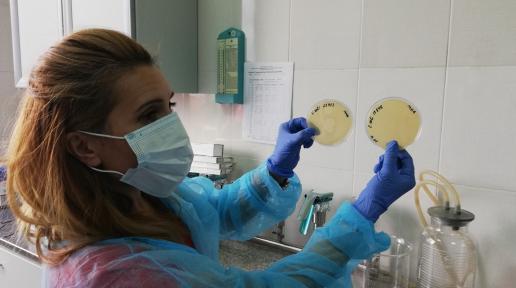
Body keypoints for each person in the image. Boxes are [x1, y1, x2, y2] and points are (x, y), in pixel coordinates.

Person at [4, 29, 415, 288]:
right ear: (85, 145)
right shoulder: (118, 275)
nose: (171, 125)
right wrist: (365, 210)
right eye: (149, 114)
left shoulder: (134, 190)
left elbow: (214, 210)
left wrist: (276, 168)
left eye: (168, 106)